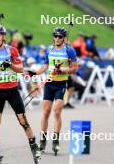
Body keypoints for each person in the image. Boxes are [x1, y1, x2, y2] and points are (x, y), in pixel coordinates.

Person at [0, 24, 41, 164]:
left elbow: (21, 69)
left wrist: (10, 65)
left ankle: (34, 146)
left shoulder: (11, 50)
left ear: (3, 37)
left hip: (12, 91)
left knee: (23, 121)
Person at [28, 27, 78, 155]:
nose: (57, 39)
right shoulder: (49, 49)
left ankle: (55, 141)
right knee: (45, 112)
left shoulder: (69, 50)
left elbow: (74, 69)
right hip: (49, 83)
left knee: (57, 111)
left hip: (62, 83)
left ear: (64, 38)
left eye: (60, 37)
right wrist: (34, 73)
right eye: (55, 36)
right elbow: (45, 66)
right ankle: (43, 141)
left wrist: (63, 70)